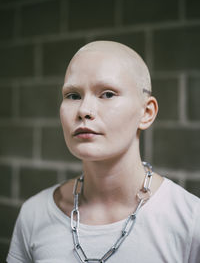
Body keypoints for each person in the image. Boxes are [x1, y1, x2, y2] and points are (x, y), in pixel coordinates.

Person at [7, 41, 200, 263]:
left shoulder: (190, 221)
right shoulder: (35, 214)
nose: (84, 111)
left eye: (107, 94)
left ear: (146, 112)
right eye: (73, 95)